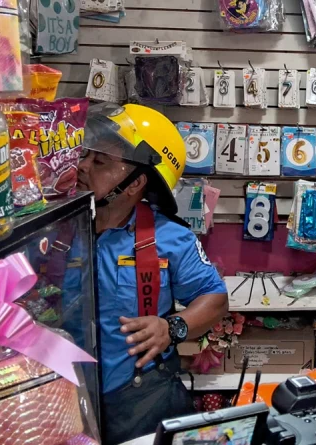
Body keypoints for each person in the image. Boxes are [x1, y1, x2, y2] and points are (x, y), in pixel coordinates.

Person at [76, 103, 229, 444]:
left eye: (100, 161)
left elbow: (215, 299)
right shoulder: (58, 232)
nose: (83, 166)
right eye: (86, 156)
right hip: (64, 397)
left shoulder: (172, 238)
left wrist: (172, 327)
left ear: (135, 183)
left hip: (143, 401)